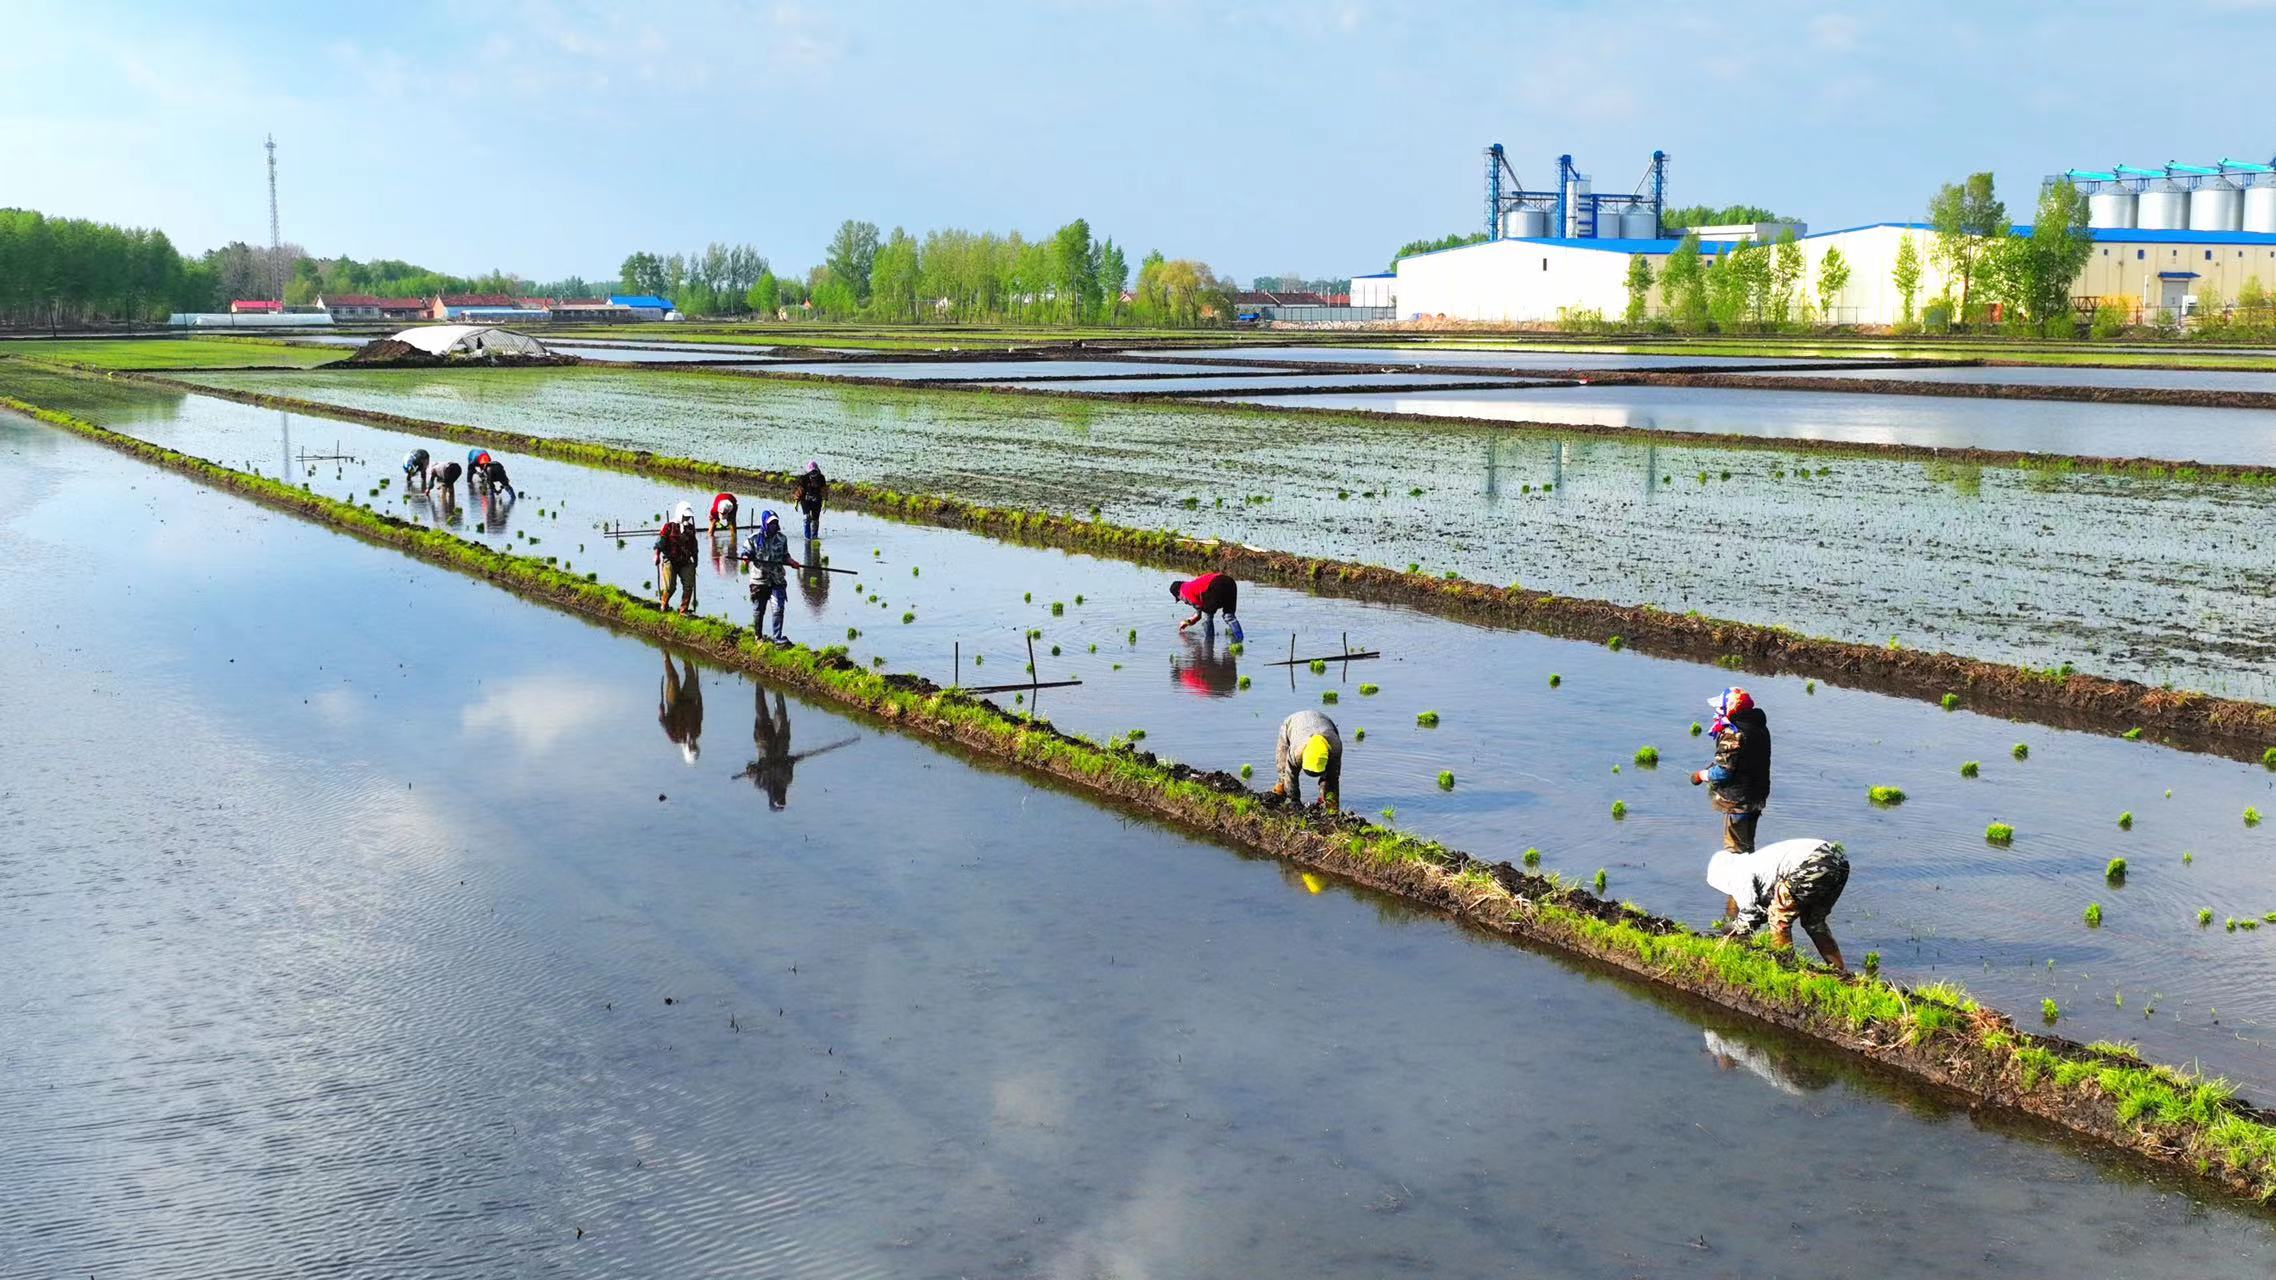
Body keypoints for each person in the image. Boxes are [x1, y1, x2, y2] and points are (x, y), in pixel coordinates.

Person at [1707, 837, 1850, 974]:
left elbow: (1749, 914)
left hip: (1815, 860)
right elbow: (1761, 911)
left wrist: (1732, 928)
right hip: (1837, 859)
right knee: (1814, 922)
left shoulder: (1739, 874)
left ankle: (1786, 970)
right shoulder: (1755, 862)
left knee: (1778, 917)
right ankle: (1839, 971)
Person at [1691, 687, 1770, 853]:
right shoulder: (1759, 728)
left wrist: (1701, 775)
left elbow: (1724, 771)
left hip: (1738, 801)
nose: (1718, 712)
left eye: (1721, 708)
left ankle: (1741, 878)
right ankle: (1751, 876)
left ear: (1732, 708)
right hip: (1756, 797)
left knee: (1734, 849)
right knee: (1747, 846)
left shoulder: (1733, 733)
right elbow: (1744, 761)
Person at [741, 509, 801, 642]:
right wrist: (746, 558)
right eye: (771, 523)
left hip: (777, 578)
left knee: (778, 608)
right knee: (759, 609)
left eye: (775, 523)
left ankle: (777, 637)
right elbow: (746, 552)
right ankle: (758, 637)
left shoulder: (782, 538)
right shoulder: (754, 539)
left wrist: (792, 562)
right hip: (759, 580)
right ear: (764, 523)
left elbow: (785, 556)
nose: (773, 525)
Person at [1273, 709, 1342, 811]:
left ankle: (1326, 802)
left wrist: (1331, 802)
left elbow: (1333, 778)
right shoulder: (1296, 752)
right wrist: (1294, 799)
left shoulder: (1335, 748)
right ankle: (1279, 794)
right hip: (1293, 723)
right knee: (1284, 772)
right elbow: (1290, 774)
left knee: (1330, 777)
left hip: (1324, 721)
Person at [1171, 572, 1244, 643]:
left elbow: (1199, 611)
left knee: (1207, 617)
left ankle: (1209, 644)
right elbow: (1198, 612)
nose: (1184, 602)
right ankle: (1239, 639)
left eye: (1180, 598)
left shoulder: (1184, 591)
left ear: (1178, 592)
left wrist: (1187, 621)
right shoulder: (1193, 584)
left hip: (1215, 585)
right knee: (1229, 616)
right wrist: (1188, 622)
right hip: (1229, 582)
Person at [654, 502, 700, 614]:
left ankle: (683, 610)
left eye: (688, 516)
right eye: (685, 516)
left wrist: (695, 560)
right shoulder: (669, 527)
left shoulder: (690, 529)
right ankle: (664, 605)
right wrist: (656, 555)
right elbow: (660, 542)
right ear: (680, 514)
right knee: (670, 587)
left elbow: (694, 545)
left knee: (689, 585)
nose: (687, 518)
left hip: (685, 560)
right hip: (670, 560)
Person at [658, 652, 704, 764]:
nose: (692, 745)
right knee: (690, 673)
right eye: (695, 747)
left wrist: (661, 711)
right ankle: (684, 651)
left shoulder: (674, 737)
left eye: (691, 748)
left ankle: (665, 654)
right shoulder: (697, 732)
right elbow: (700, 712)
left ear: (686, 750)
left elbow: (664, 721)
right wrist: (699, 695)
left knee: (673, 678)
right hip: (690, 700)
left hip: (674, 704)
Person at [794, 461, 828, 539]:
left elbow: (824, 490)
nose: (813, 474)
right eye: (811, 472)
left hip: (817, 500)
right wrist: (796, 501)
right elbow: (800, 490)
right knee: (806, 517)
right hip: (805, 500)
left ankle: (814, 536)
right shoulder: (804, 478)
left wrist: (824, 502)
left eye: (815, 471)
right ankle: (807, 538)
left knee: (815, 520)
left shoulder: (821, 478)